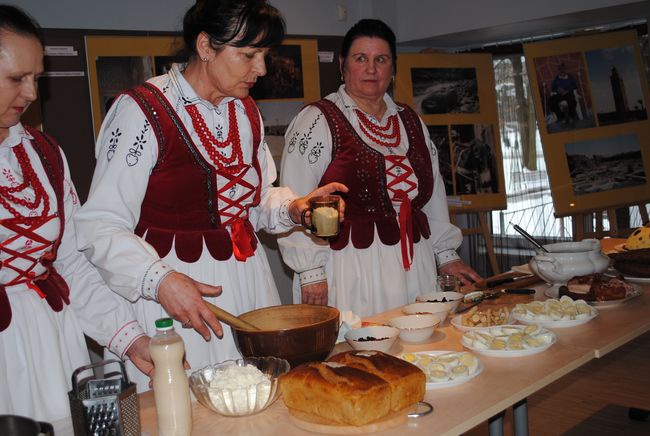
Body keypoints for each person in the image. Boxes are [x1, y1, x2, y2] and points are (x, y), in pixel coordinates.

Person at [74, 0, 346, 391]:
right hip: (177, 288)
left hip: (249, 283)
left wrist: (292, 208)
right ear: (205, 46)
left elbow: (254, 201)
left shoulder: (246, 111)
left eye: (265, 55)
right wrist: (160, 281)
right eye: (249, 54)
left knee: (259, 395)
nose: (262, 69)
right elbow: (100, 223)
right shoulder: (142, 110)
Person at [0, 5, 153, 422]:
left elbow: (70, 263)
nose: (31, 93)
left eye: (36, 78)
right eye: (17, 79)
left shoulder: (45, 154)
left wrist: (129, 338)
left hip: (53, 337)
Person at [278, 19, 482, 316]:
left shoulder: (411, 121)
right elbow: (293, 196)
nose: (371, 69)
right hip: (350, 268)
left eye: (381, 60)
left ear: (393, 68)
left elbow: (433, 196)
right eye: (361, 58)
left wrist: (446, 255)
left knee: (420, 348)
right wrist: (310, 272)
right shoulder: (317, 120)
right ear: (342, 65)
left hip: (416, 264)